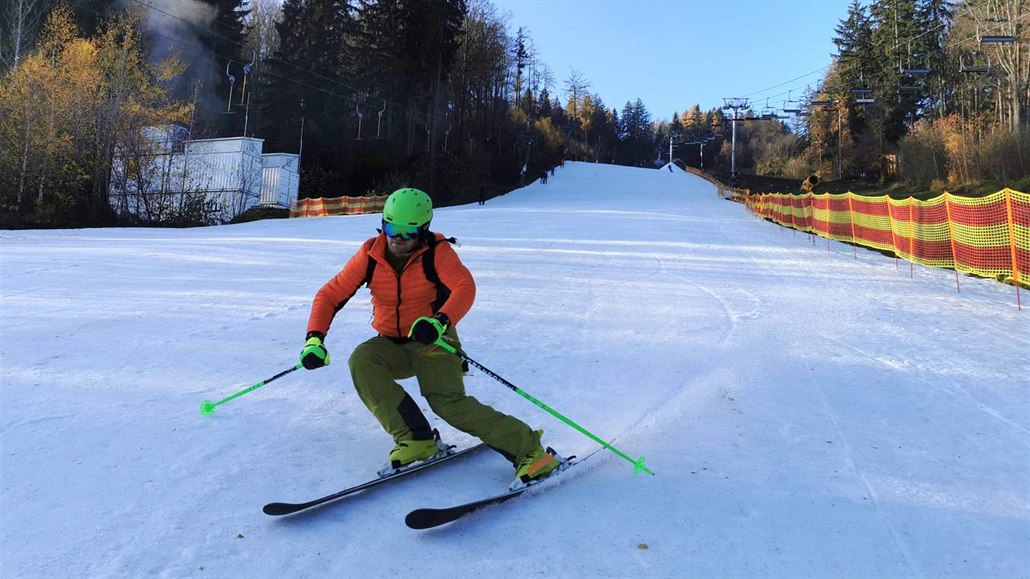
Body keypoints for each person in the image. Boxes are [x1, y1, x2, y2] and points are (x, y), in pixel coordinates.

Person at [299, 187, 560, 488]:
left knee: (448, 404)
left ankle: (532, 452)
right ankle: (415, 438)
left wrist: (440, 322)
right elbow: (330, 294)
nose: (397, 238)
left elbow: (465, 287)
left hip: (433, 341)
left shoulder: (437, 252)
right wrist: (314, 339)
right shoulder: (371, 253)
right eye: (390, 228)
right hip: (391, 343)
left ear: (423, 231)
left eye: (407, 232)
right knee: (362, 360)